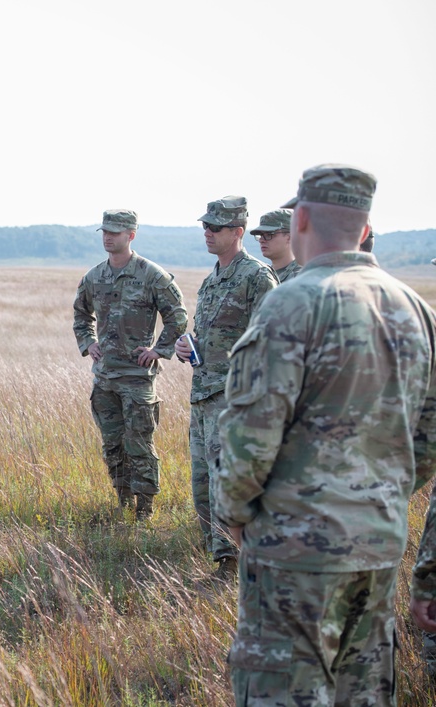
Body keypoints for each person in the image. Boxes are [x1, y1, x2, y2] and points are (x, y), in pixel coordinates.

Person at [214, 165, 436, 705]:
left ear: (303, 219)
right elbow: (428, 441)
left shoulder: (292, 303)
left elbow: (250, 437)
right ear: (364, 228)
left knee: (283, 691)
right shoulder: (415, 310)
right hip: (378, 543)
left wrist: (235, 516)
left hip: (294, 550)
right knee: (361, 690)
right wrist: (375, 498)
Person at [173, 196, 276, 580]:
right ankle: (217, 555)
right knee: (202, 482)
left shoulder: (257, 277)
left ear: (238, 231)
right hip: (203, 394)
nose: (208, 233)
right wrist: (187, 348)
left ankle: (232, 564)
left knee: (225, 481)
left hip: (234, 398)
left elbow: (270, 341)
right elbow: (208, 336)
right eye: (205, 226)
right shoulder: (212, 279)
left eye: (215, 227)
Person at [73, 209, 187, 520]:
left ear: (130, 235)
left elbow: (177, 317)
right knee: (112, 445)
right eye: (105, 232)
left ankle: (145, 509)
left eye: (115, 232)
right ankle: (122, 501)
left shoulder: (152, 275)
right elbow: (81, 316)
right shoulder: (94, 277)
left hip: (137, 378)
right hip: (105, 378)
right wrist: (88, 343)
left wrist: (159, 350)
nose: (108, 237)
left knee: (139, 444)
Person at [251, 209, 301, 282]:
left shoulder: (300, 278)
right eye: (261, 235)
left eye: (269, 234)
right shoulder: (259, 277)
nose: (261, 240)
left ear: (289, 238)